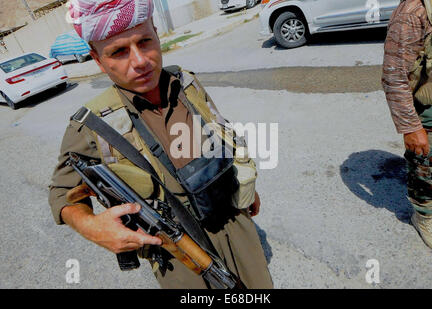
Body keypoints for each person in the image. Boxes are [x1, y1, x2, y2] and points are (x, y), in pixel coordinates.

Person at [49, 0, 273, 289]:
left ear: (156, 32)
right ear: (97, 59)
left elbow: (220, 132)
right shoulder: (90, 126)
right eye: (118, 52)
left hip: (237, 226)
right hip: (179, 257)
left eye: (145, 42)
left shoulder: (186, 82)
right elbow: (61, 193)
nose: (140, 61)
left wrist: (245, 184)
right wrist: (91, 226)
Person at [382, 0, 432, 257]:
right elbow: (394, 75)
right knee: (428, 163)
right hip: (429, 107)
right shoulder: (413, 11)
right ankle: (424, 216)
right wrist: (410, 126)